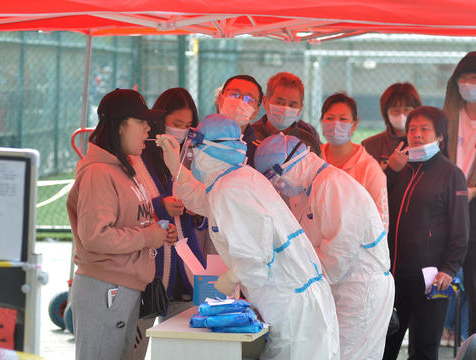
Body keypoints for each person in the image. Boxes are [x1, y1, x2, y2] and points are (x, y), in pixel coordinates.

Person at [156, 114, 340, 360]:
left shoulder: (232, 188)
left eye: (196, 148)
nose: (192, 155)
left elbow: (255, 256)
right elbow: (202, 199)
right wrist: (175, 168)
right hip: (294, 300)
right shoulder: (235, 179)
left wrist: (230, 279)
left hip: (291, 308)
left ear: (210, 150)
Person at [255, 133, 394, 359]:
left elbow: (337, 258)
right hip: (337, 289)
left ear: (295, 162)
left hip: (360, 290)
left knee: (348, 355)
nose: (279, 187)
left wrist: (295, 286)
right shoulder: (305, 189)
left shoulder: (334, 186)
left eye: (278, 177)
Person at [67, 88, 177, 360]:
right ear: (119, 126)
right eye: (140, 121)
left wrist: (158, 232)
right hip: (105, 289)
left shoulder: (123, 169)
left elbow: (130, 220)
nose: (148, 128)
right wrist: (147, 237)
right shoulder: (99, 173)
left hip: (123, 289)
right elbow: (96, 236)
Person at [383, 106, 469, 360]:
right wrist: (390, 171)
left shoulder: (451, 174)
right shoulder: (399, 169)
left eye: (424, 129)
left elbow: (461, 230)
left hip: (431, 280)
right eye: (412, 129)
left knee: (423, 349)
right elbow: (376, 206)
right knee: (384, 346)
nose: (417, 134)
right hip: (393, 276)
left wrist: (449, 269)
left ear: (440, 136)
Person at [129, 88, 205, 359]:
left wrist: (194, 208)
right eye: (175, 124)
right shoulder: (138, 154)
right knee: (135, 346)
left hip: (186, 270)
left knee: (181, 350)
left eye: (187, 126)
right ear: (160, 121)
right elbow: (129, 205)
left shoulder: (192, 155)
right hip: (149, 271)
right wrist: (161, 206)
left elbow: (202, 205)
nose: (181, 132)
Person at [443, 51, 476, 337]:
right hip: (444, 218)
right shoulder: (447, 119)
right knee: (435, 291)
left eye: (475, 78)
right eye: (463, 78)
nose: (468, 84)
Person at [320, 92, 389, 230]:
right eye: (330, 118)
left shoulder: (370, 169)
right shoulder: (313, 160)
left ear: (355, 124)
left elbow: (381, 222)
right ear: (321, 122)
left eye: (343, 119)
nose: (335, 124)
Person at [252, 72, 321, 153]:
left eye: (292, 105)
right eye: (279, 103)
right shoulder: (250, 136)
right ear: (265, 102)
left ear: (300, 109)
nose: (285, 109)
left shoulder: (308, 142)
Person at [362, 82, 423, 170]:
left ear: (416, 112)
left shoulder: (425, 144)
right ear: (386, 113)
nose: (401, 115)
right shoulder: (370, 146)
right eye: (396, 110)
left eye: (406, 110)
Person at [216, 74, 263, 167]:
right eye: (234, 94)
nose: (240, 102)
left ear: (255, 112)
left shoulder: (259, 154)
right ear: (220, 100)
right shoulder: (199, 138)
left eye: (248, 99)